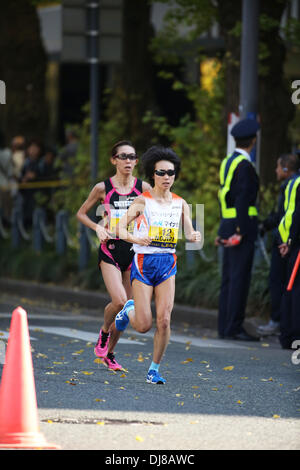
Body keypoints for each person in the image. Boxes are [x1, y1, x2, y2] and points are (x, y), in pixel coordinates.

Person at [114, 145, 201, 384]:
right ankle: (127, 309)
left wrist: (194, 236)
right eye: (161, 173)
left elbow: (190, 231)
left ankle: (154, 370)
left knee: (164, 319)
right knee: (143, 325)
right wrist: (136, 238)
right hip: (143, 262)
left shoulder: (180, 203)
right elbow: (119, 228)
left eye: (171, 173)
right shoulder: (143, 201)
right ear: (152, 174)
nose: (166, 177)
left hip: (167, 264)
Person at [76, 140, 151, 370]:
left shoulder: (144, 188)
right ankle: (104, 332)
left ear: (136, 161)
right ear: (114, 160)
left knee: (127, 308)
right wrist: (97, 227)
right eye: (123, 157)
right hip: (110, 249)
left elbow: (156, 212)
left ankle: (109, 353)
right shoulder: (103, 188)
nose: (128, 161)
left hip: (133, 251)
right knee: (118, 301)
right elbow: (81, 213)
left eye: (132, 157)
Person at [216, 118, 260, 341]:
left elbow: (226, 196)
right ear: (253, 140)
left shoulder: (227, 163)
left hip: (227, 224)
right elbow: (243, 200)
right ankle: (234, 327)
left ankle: (224, 326)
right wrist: (242, 230)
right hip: (240, 228)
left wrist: (224, 228)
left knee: (229, 279)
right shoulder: (245, 166)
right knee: (239, 279)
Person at [257, 154, 300, 336]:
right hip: (288, 241)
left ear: (285, 169)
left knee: (281, 283)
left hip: (286, 243)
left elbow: (288, 216)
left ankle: (283, 326)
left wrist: (286, 241)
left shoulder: (292, 185)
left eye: (277, 167)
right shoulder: (291, 184)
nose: (275, 170)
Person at [277, 164, 300, 349]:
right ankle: (292, 335)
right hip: (294, 244)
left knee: (292, 289)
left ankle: (289, 335)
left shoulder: (294, 183)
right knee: (294, 289)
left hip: (292, 242)